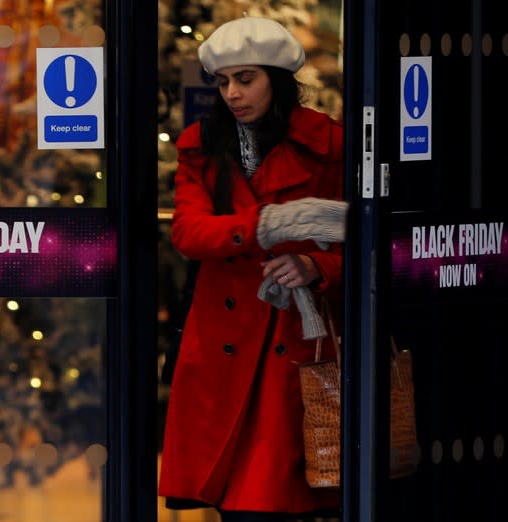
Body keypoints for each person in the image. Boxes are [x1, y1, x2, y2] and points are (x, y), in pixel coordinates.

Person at [158, 16, 345, 522]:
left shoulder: (330, 144)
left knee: (271, 498)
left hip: (294, 341)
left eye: (246, 79)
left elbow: (368, 243)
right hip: (222, 342)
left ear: (277, 78)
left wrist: (315, 264)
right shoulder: (201, 144)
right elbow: (189, 234)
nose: (233, 94)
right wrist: (266, 224)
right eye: (223, 83)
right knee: (238, 504)